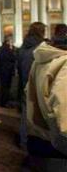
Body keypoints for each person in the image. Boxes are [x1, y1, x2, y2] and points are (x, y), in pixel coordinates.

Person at [25, 41, 67, 171]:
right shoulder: (64, 63)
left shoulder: (41, 60)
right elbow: (62, 108)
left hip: (38, 132)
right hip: (58, 142)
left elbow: (28, 91)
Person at [17, 22, 46, 150]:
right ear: (42, 32)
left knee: (25, 112)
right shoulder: (41, 47)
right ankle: (40, 141)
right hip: (38, 83)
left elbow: (18, 66)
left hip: (24, 82)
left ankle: (24, 141)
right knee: (41, 114)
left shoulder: (23, 47)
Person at [0, 37, 16, 108]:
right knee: (6, 87)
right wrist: (12, 51)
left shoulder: (0, 49)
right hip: (7, 70)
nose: (12, 42)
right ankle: (5, 102)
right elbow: (13, 58)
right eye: (11, 41)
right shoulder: (8, 49)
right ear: (7, 42)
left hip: (2, 70)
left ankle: (2, 101)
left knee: (3, 87)